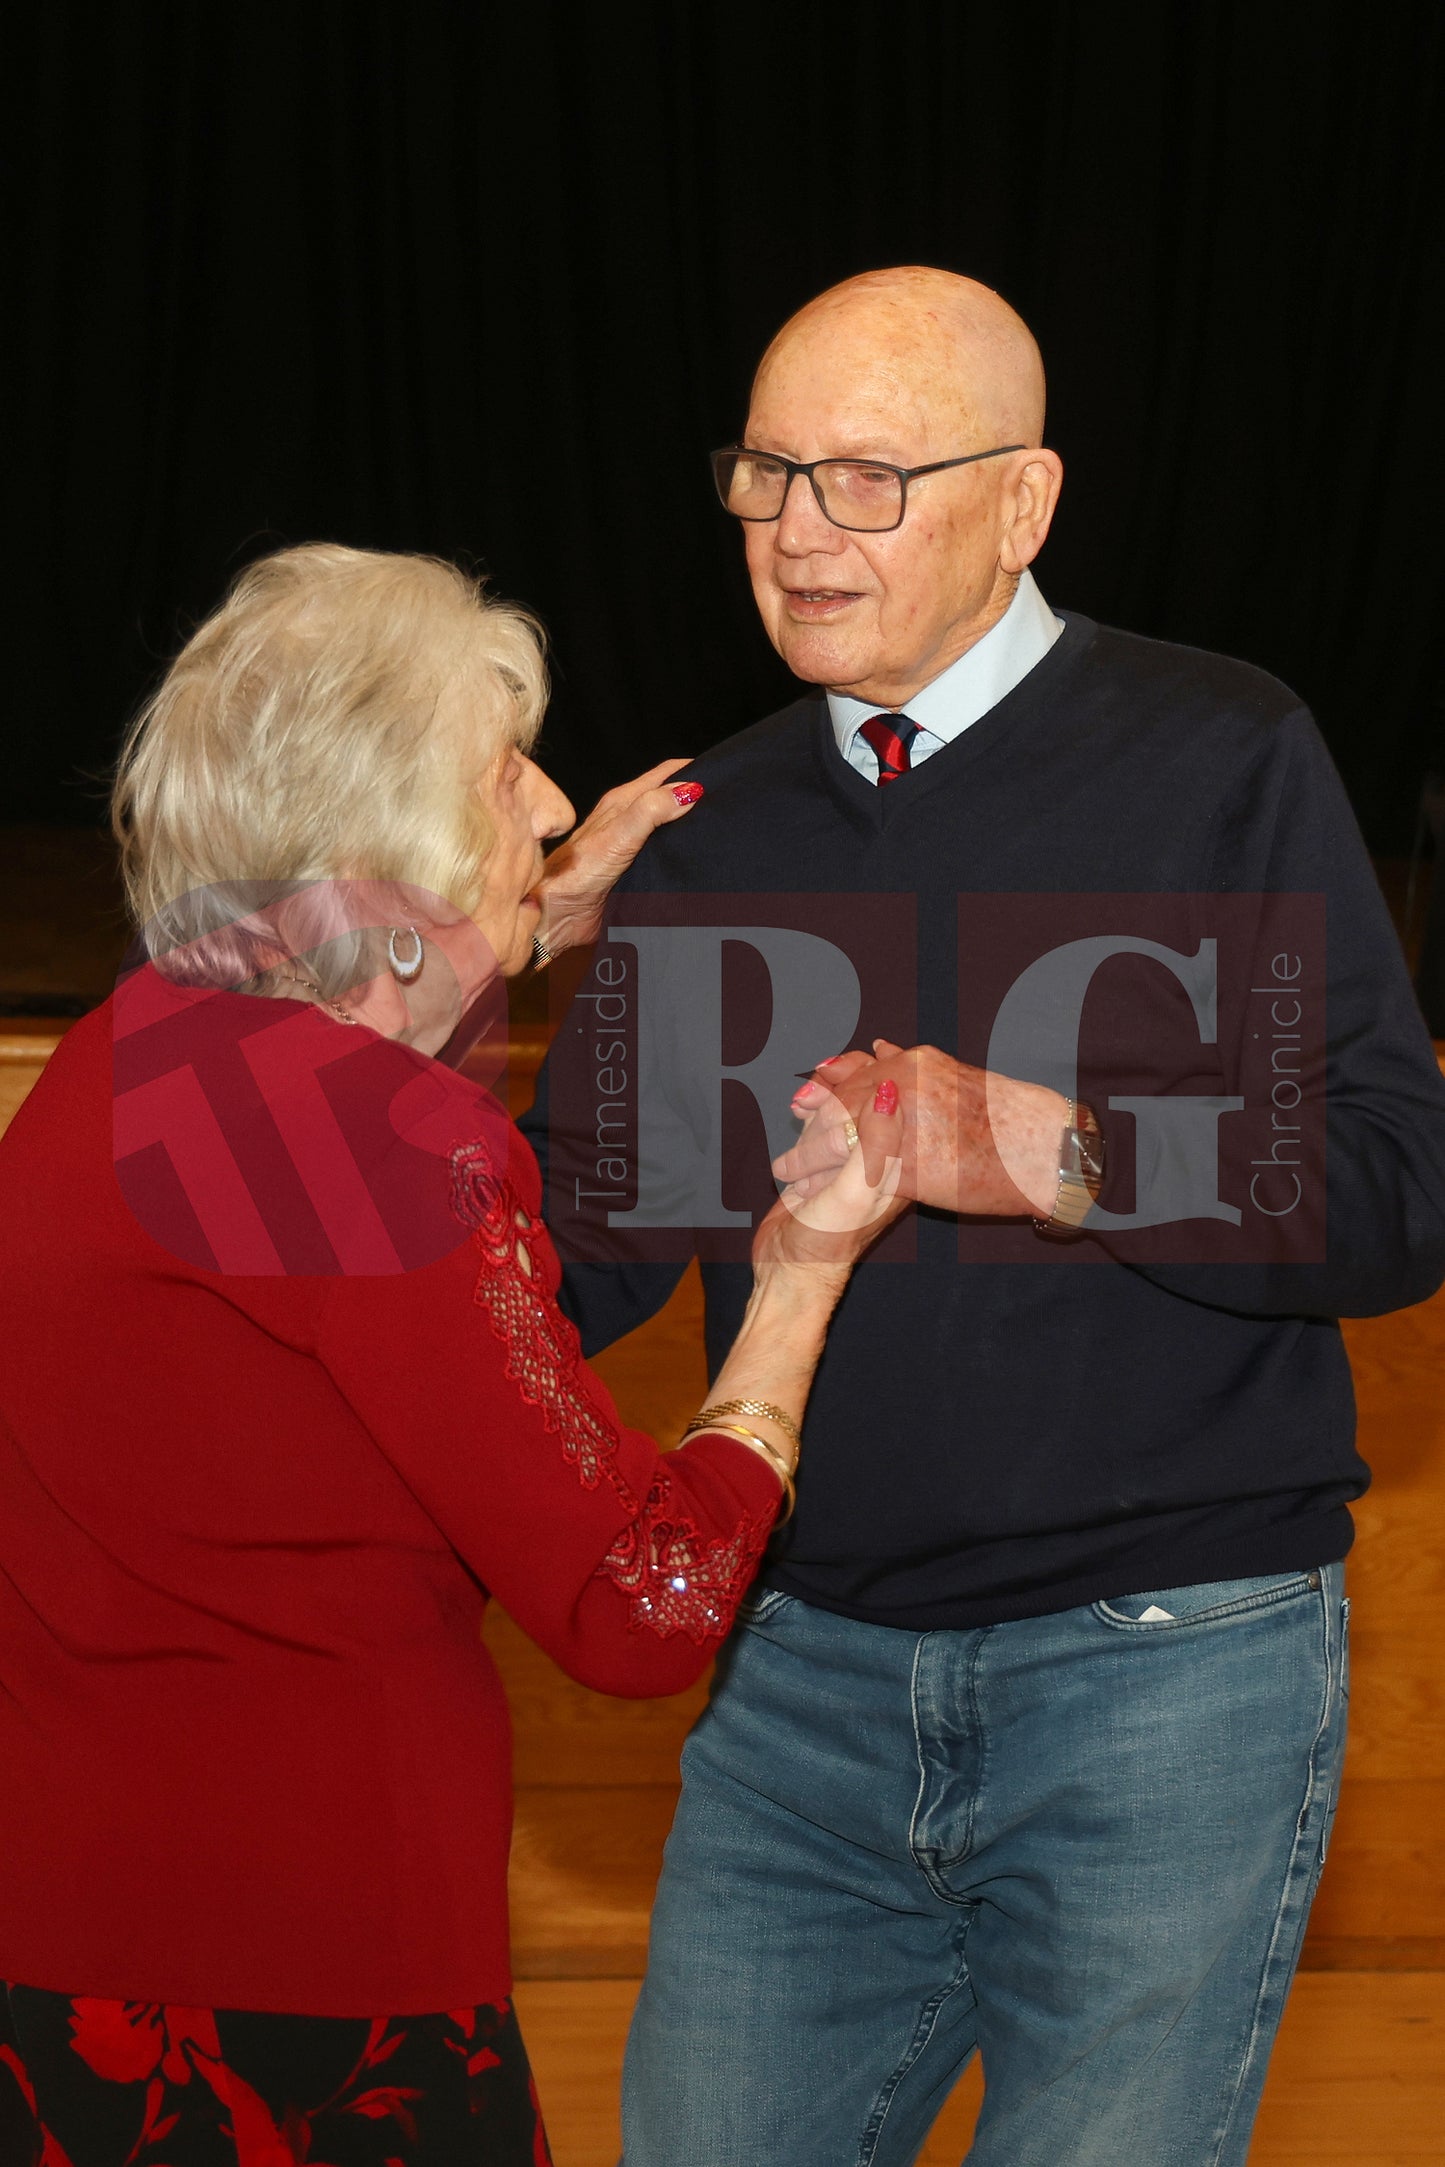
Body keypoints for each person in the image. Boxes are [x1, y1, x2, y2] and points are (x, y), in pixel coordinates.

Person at [521, 270, 1445, 2165]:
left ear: (1019, 505)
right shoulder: (710, 822)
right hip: (798, 1698)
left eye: (864, 478)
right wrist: (423, 962)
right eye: (767, 474)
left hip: (1167, 1684)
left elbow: (1390, 1192)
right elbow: (569, 1259)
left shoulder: (1219, 753)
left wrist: (1049, 1148)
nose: (794, 530)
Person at [0, 543, 903, 2167]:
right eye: (503, 776)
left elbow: (355, 1257)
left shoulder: (122, 1057)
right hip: (314, 1987)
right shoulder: (381, 1145)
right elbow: (644, 1606)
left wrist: (499, 929)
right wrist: (796, 1282)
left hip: (68, 1955)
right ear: (385, 830)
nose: (555, 805)